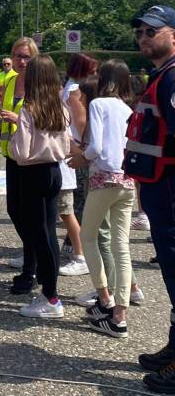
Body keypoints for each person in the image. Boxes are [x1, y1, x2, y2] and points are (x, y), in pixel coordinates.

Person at [124, 6, 175, 390]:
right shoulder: (161, 77)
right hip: (159, 192)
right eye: (140, 31)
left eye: (151, 31)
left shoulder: (173, 80)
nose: (143, 37)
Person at [69, 60, 135, 339]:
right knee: (122, 246)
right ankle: (119, 314)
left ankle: (104, 298)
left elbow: (95, 147)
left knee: (88, 238)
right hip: (127, 180)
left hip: (102, 178)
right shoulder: (128, 108)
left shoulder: (98, 104)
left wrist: (80, 158)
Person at [9, 55, 69, 319]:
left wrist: (11, 142)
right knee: (48, 233)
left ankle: (51, 295)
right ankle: (51, 289)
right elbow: (66, 146)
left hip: (32, 172)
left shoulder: (29, 109)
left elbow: (21, 152)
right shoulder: (60, 107)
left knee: (38, 234)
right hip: (55, 170)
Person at [0, 36, 39, 294]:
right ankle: (33, 258)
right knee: (15, 210)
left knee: (31, 215)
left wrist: (18, 118)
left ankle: (31, 269)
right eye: (17, 56)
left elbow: (48, 120)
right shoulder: (10, 81)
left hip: (33, 159)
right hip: (12, 155)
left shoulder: (40, 85)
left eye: (26, 56)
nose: (21, 61)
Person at [59, 53, 99, 277]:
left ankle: (74, 244)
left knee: (75, 202)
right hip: (78, 148)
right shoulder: (76, 90)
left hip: (72, 146)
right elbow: (81, 121)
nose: (95, 75)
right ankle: (80, 249)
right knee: (80, 200)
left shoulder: (68, 86)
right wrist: (84, 147)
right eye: (92, 70)